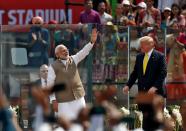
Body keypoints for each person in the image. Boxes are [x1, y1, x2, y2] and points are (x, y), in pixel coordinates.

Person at [47, 28, 98, 121]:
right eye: (63, 51)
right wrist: (53, 100)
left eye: (66, 50)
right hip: (63, 100)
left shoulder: (74, 59)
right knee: (65, 123)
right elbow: (50, 84)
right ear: (57, 55)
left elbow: (84, 52)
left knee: (82, 120)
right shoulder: (53, 67)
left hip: (78, 97)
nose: (66, 51)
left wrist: (91, 42)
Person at [123, 36, 167, 130]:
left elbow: (163, 73)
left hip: (156, 95)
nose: (140, 47)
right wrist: (128, 85)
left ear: (151, 44)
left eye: (142, 45)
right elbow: (135, 73)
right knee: (146, 122)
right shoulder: (139, 57)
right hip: (143, 95)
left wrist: (155, 87)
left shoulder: (160, 56)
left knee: (156, 121)